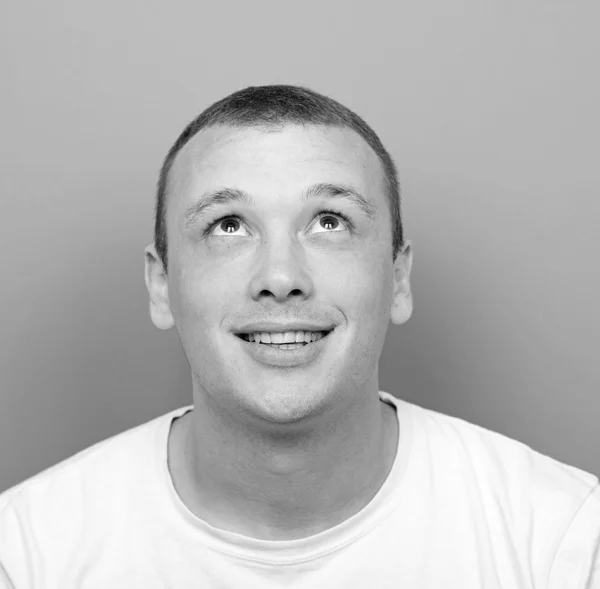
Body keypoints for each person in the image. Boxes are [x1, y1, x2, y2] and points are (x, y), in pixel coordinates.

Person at [0, 85, 598, 588]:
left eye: (330, 222)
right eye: (228, 225)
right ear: (161, 285)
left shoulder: (564, 542)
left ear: (398, 278)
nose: (280, 279)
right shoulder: (26, 555)